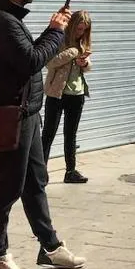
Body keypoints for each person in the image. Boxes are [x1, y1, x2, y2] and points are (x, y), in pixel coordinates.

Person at [0, 0, 85, 269]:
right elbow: (31, 60)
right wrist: (56, 30)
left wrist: (53, 30)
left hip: (29, 112)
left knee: (35, 182)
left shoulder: (11, 18)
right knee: (7, 186)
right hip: (14, 114)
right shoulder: (2, 21)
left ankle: (50, 247)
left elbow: (30, 54)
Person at [42, 10, 93, 185]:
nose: (81, 33)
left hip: (77, 93)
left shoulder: (83, 42)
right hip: (57, 92)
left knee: (71, 134)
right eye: (79, 29)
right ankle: (40, 171)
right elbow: (49, 62)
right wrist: (72, 52)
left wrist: (85, 63)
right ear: (72, 26)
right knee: (48, 133)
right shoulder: (60, 39)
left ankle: (70, 171)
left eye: (84, 30)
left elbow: (87, 67)